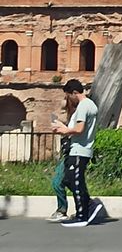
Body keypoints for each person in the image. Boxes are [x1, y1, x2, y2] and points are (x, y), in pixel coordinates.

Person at [52, 79, 102, 227]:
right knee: (69, 179)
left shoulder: (83, 106)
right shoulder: (90, 105)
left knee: (74, 181)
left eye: (68, 96)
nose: (68, 99)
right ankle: (87, 206)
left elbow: (79, 129)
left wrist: (65, 130)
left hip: (79, 149)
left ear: (74, 93)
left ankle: (83, 214)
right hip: (80, 149)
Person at [47, 94, 78, 222]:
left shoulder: (79, 113)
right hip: (68, 151)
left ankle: (63, 210)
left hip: (73, 151)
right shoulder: (72, 115)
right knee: (66, 181)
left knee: (60, 181)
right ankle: (84, 204)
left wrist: (63, 129)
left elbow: (77, 130)